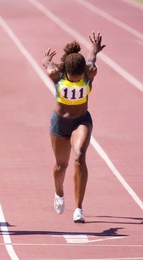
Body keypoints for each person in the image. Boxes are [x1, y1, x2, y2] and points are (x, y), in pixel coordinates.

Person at [42, 32, 105, 223]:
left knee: (79, 156)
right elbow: (47, 63)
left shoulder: (89, 71)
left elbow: (92, 58)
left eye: (80, 78)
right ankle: (59, 192)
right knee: (61, 166)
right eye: (74, 78)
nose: (77, 80)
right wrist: (46, 59)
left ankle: (78, 208)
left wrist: (94, 50)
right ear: (66, 72)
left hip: (81, 121)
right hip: (60, 123)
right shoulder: (56, 74)